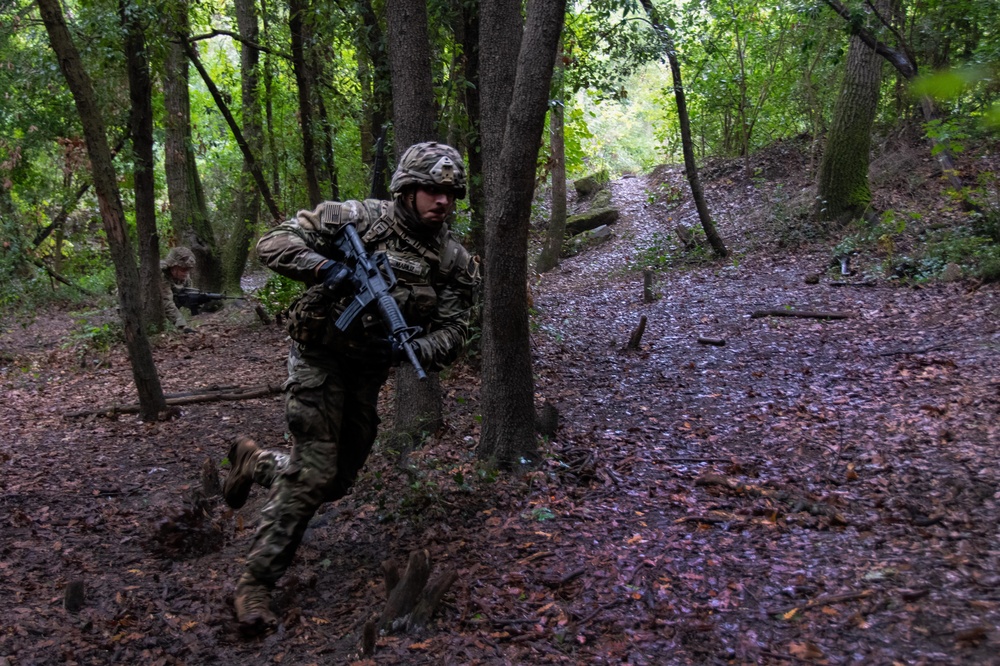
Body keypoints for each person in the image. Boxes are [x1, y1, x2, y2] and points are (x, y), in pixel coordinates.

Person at [224, 142, 481, 634]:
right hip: (318, 357)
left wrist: (417, 351)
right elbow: (273, 243)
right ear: (407, 189)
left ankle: (254, 463)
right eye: (431, 189)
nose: (441, 201)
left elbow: (456, 328)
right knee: (315, 471)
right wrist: (329, 269)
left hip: (367, 372)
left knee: (337, 479)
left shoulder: (453, 260)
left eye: (449, 192)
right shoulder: (357, 218)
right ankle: (255, 585)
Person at [161, 246, 197, 333]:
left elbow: (188, 296)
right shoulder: (161, 275)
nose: (186, 273)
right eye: (183, 269)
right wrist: (183, 325)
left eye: (188, 269)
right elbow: (166, 303)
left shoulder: (185, 277)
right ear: (173, 266)